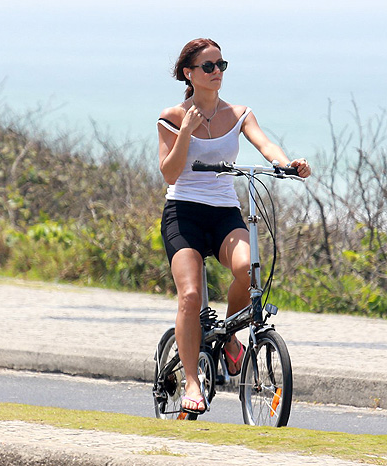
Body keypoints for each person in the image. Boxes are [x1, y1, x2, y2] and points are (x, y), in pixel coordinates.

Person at [157, 38, 311, 414]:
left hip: (224, 213)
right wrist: (188, 132)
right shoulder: (173, 117)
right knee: (191, 297)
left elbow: (266, 144)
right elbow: (169, 173)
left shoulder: (239, 113)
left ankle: (228, 338)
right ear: (189, 74)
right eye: (208, 67)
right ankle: (192, 384)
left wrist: (288, 164)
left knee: (249, 270)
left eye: (221, 65)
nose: (216, 73)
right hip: (184, 213)